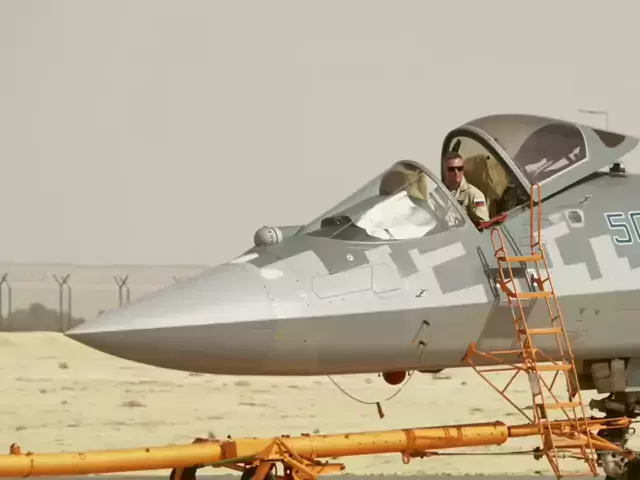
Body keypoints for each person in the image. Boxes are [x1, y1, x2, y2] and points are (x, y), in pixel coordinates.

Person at [442, 151, 490, 225]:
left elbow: (483, 225)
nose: (456, 172)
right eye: (451, 169)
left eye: (459, 168)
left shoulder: (474, 194)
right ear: (444, 171)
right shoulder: (439, 192)